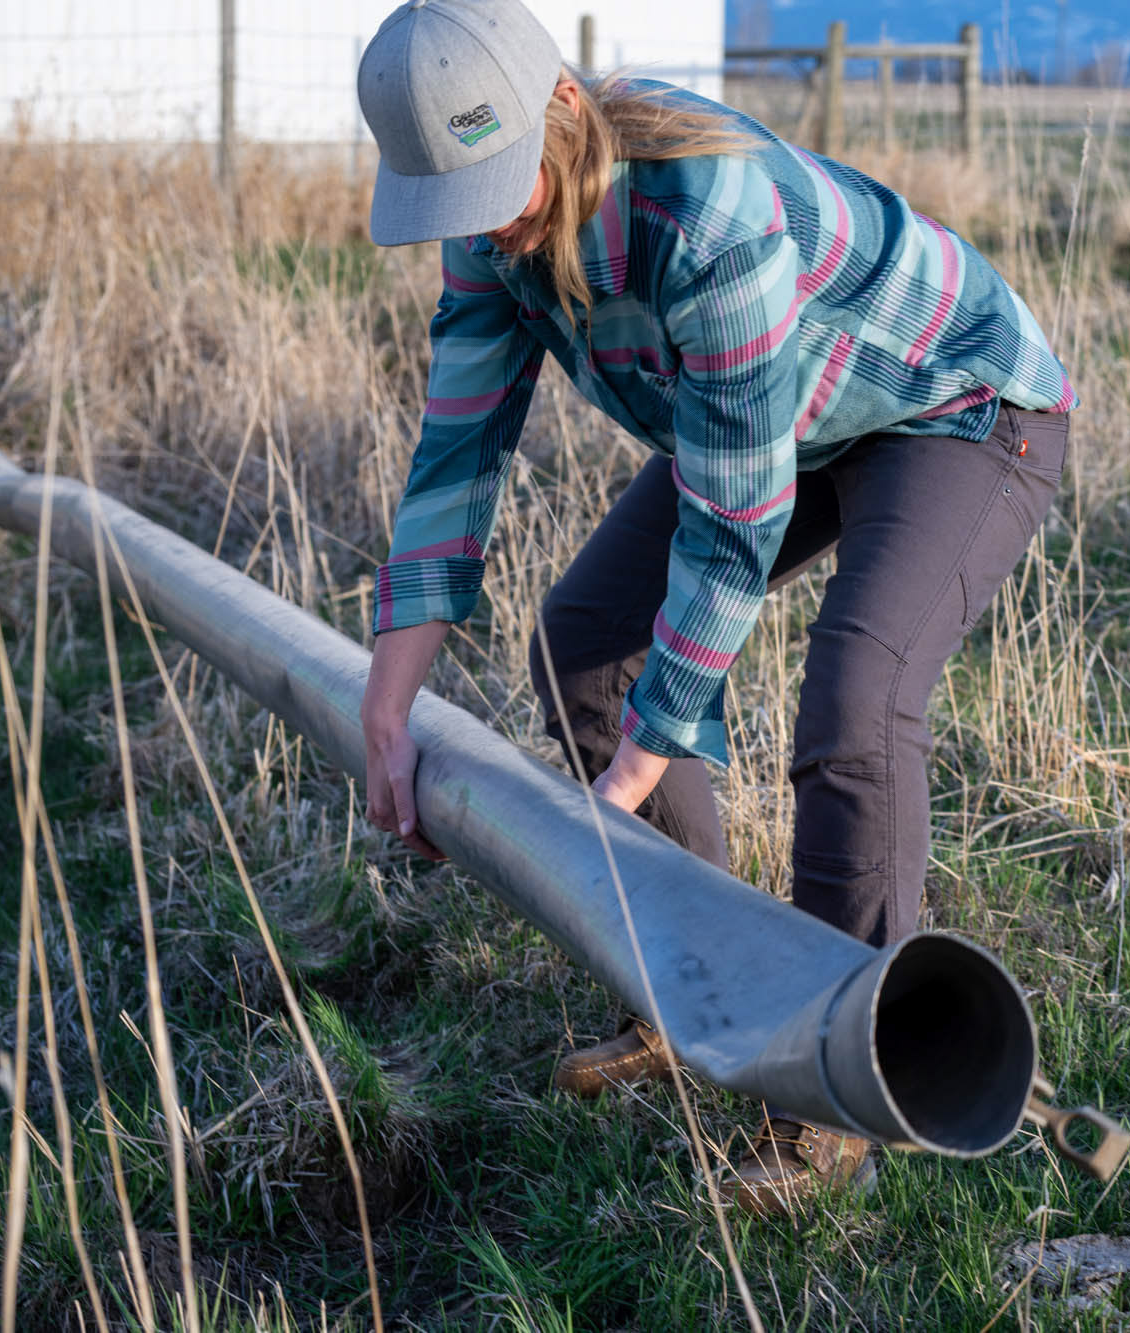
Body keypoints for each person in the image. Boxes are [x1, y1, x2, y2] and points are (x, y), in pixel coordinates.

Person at [353, 0, 1072, 1217]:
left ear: (563, 113)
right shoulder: (490, 230)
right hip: (779, 425)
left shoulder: (709, 217)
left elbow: (730, 530)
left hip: (953, 407)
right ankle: (688, 991)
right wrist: (385, 701)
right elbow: (456, 458)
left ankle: (837, 1092)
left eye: (501, 185)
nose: (495, 225)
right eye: (461, 202)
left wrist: (620, 786)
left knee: (854, 703)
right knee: (579, 643)